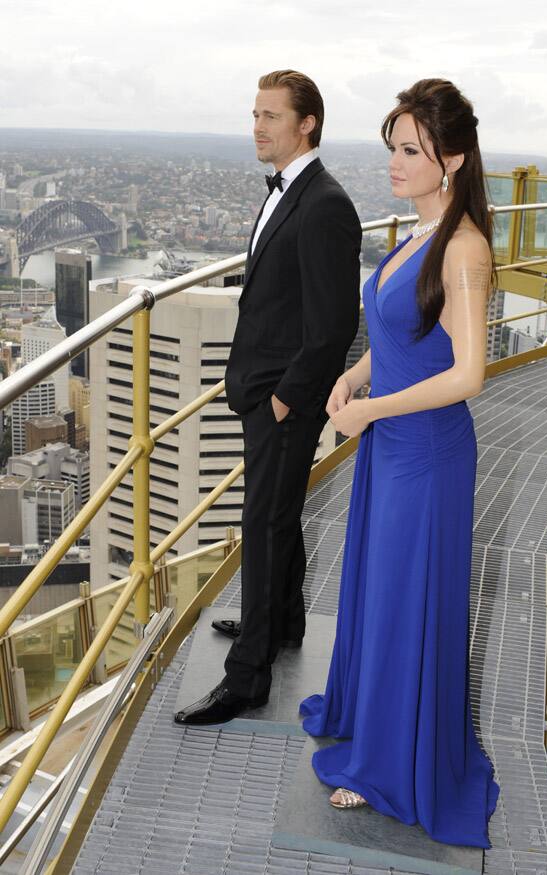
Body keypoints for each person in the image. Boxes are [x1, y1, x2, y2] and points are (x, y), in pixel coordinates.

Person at [299, 78, 500, 849]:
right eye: (392, 147)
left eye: (410, 150)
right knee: (381, 593)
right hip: (394, 446)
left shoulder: (465, 248)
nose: (394, 161)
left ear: (451, 158)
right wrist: (357, 376)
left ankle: (393, 763)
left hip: (427, 456)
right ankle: (373, 723)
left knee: (404, 599)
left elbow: (470, 374)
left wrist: (369, 410)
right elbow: (404, 343)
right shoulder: (416, 232)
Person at [174, 70, 361, 726]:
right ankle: (283, 621)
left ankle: (247, 677)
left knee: (263, 521)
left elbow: (335, 324)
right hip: (267, 392)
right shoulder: (293, 190)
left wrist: (284, 399)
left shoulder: (325, 203)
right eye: (255, 114)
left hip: (285, 399)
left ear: (306, 123)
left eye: (271, 116)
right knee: (280, 514)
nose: (257, 126)